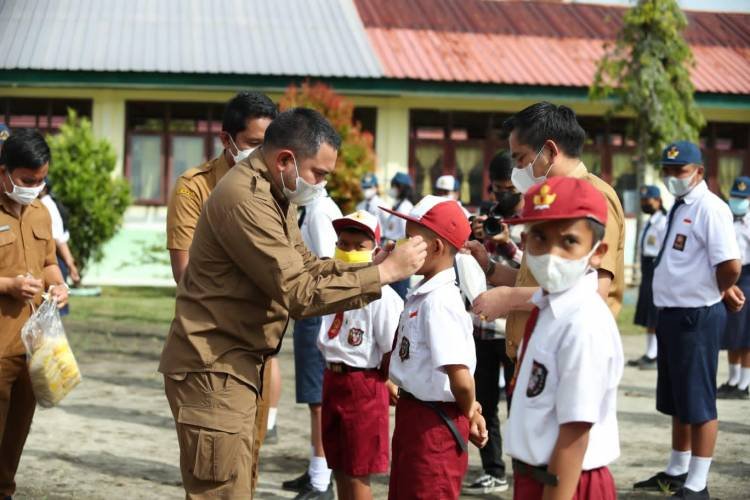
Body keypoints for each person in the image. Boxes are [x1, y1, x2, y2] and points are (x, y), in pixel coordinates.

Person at [158, 108, 427, 499]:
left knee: (239, 485)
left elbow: (306, 265)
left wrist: (369, 267)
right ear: (285, 159)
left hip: (236, 364)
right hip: (213, 365)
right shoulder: (247, 199)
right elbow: (298, 291)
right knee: (220, 491)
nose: (320, 185)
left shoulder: (273, 192)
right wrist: (383, 276)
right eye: (319, 174)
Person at [164, 90, 279, 492]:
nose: (262, 155)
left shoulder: (275, 192)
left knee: (244, 469)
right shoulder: (195, 187)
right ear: (226, 139)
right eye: (253, 145)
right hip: (212, 355)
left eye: (270, 146)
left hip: (256, 356)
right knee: (217, 477)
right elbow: (186, 272)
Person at [470, 102, 625, 363]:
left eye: (520, 158)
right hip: (536, 352)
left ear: (549, 151)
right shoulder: (550, 200)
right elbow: (546, 280)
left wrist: (509, 299)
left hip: (570, 354)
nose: (517, 170)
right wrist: (490, 268)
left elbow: (591, 291)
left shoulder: (594, 198)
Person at [633, 141, 742, 499]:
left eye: (678, 171)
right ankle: (677, 469)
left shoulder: (711, 209)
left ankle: (698, 483)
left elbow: (729, 265)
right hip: (672, 314)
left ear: (698, 171)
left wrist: (718, 290)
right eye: (667, 170)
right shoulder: (681, 207)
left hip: (696, 316)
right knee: (678, 400)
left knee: (698, 402)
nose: (671, 177)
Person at [504, 176, 622, 500]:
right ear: (525, 241)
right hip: (540, 476)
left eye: (568, 241)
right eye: (540, 238)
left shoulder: (583, 322)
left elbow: (575, 432)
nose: (551, 254)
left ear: (598, 253)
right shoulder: (550, 307)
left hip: (568, 482)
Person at [382, 195, 488, 500]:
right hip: (415, 415)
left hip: (435, 425)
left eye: (411, 240)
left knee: (428, 491)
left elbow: (460, 376)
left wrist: (470, 411)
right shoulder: (423, 294)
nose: (402, 247)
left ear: (438, 247)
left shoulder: (441, 302)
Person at [0, 129, 69, 499]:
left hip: (33, 346)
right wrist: (7, 286)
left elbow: (47, 263)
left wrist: (58, 286)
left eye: (41, 181)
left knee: (16, 432)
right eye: (27, 181)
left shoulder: (43, 212)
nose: (35, 188)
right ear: (3, 171)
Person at [317, 210, 403, 500]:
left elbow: (391, 346)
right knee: (338, 466)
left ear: (376, 251)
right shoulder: (331, 287)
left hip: (363, 384)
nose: (349, 251)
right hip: (332, 378)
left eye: (358, 246)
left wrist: (389, 381)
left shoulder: (383, 296)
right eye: (343, 244)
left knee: (357, 472)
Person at [462, 151, 522, 496]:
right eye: (496, 190)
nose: (502, 198)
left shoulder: (537, 220)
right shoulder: (487, 218)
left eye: (508, 190)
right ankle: (493, 470)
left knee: (520, 404)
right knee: (484, 400)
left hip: (515, 328)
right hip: (483, 326)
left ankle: (523, 468)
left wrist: (508, 244)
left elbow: (534, 271)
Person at [282, 181, 342, 500]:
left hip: (317, 311)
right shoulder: (314, 209)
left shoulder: (319, 212)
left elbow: (326, 265)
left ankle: (321, 479)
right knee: (313, 397)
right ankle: (316, 468)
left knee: (317, 398)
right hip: (312, 310)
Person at [629, 185, 668, 370]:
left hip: (656, 269)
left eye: (648, 200)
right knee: (648, 314)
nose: (645, 203)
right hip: (646, 269)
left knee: (655, 314)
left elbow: (664, 250)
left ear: (658, 201)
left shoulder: (664, 222)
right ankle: (650, 352)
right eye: (642, 200)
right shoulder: (649, 221)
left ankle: (656, 354)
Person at [718, 175, 750, 400]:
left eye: (743, 198)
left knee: (746, 334)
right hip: (730, 277)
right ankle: (732, 379)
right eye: (735, 197)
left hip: (748, 277)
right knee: (732, 332)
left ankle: (744, 384)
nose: (738, 201)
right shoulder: (726, 218)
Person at [383, 172, 415, 300]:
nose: (392, 189)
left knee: (398, 295)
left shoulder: (405, 207)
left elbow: (407, 235)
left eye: (394, 186)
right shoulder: (398, 205)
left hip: (399, 254)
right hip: (392, 251)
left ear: (401, 188)